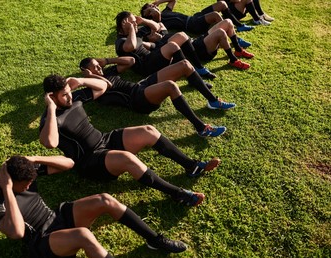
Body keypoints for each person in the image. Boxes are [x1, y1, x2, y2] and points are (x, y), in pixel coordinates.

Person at [39, 74, 221, 208]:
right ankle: (179, 194)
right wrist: (51, 109)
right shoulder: (50, 120)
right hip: (90, 160)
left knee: (148, 131)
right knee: (128, 159)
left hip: (104, 140)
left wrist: (80, 81)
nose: (70, 96)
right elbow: (50, 142)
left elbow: (103, 86)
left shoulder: (75, 98)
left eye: (69, 92)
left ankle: (192, 166)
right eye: (64, 95)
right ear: (52, 97)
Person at [0, 155, 188, 258]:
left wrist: (35, 160)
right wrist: (8, 190)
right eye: (26, 184)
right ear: (10, 181)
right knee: (83, 235)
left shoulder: (25, 175)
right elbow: (17, 232)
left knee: (105, 199)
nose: (30, 185)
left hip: (57, 217)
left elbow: (69, 163)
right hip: (42, 241)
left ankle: (154, 240)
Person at [79, 56, 227, 137]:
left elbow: (131, 61)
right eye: (95, 68)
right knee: (170, 86)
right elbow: (108, 86)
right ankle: (201, 128)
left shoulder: (108, 72)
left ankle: (213, 101)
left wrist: (107, 61)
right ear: (86, 73)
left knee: (184, 64)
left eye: (98, 65)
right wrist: (91, 76)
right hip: (137, 100)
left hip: (142, 86)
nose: (99, 68)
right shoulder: (93, 87)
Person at [114, 11, 217, 80]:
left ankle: (199, 68)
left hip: (154, 52)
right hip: (148, 65)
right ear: (124, 25)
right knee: (173, 45)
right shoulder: (121, 41)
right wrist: (132, 29)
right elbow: (130, 46)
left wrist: (143, 20)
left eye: (135, 22)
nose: (135, 24)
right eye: (132, 23)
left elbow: (158, 26)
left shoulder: (137, 32)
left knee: (181, 35)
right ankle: (193, 76)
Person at [137, 14, 254, 70]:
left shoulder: (163, 32)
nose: (155, 33)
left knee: (227, 22)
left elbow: (158, 23)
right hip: (199, 50)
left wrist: (142, 20)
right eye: (151, 34)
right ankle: (233, 59)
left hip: (197, 41)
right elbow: (139, 44)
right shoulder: (158, 45)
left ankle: (238, 50)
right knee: (220, 33)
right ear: (149, 40)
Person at [140, 0, 255, 33]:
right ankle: (231, 34)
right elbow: (156, 16)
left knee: (222, 4)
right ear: (148, 15)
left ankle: (238, 25)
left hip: (195, 17)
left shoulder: (165, 11)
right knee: (215, 15)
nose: (154, 8)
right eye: (150, 9)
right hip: (192, 25)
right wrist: (150, 10)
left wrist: (158, 2)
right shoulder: (157, 20)